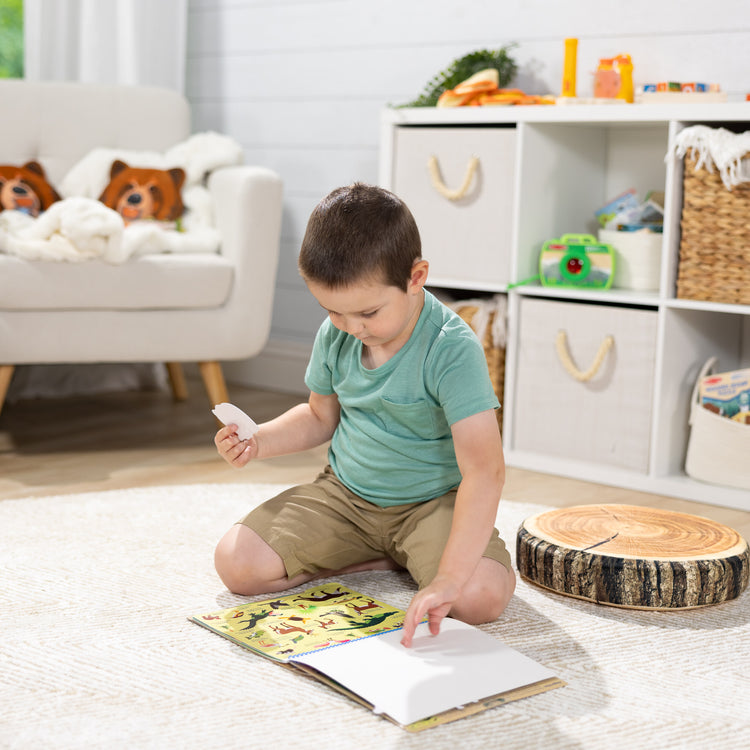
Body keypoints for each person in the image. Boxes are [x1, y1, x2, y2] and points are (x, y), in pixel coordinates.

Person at [213, 182, 515, 647]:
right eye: (333, 311)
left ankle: (406, 556)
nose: (352, 328)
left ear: (416, 277)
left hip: (430, 505)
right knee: (237, 563)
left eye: (368, 312)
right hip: (345, 497)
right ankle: (374, 559)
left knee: (478, 597)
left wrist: (449, 578)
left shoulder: (451, 349)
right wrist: (259, 440)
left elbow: (485, 470)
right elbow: (318, 417)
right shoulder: (338, 334)